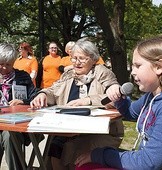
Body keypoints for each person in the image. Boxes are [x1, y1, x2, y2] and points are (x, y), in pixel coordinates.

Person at [75, 35, 162, 170]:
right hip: (143, 161)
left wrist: (100, 155)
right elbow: (131, 113)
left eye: (138, 66)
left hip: (146, 164)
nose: (133, 72)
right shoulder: (151, 97)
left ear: (159, 67)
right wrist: (119, 98)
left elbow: (147, 163)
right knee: (85, 165)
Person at [30, 39, 124, 170]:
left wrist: (88, 100)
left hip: (97, 131)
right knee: (55, 147)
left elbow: (115, 97)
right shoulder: (69, 74)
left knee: (71, 150)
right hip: (67, 128)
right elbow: (53, 90)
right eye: (73, 58)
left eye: (81, 58)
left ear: (93, 59)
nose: (76, 62)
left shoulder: (102, 72)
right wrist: (43, 94)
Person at [0, 43, 39, 170]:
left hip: (16, 124)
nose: (4, 68)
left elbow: (35, 97)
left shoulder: (22, 76)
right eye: (1, 64)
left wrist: (23, 101)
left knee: (9, 135)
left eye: (8, 64)